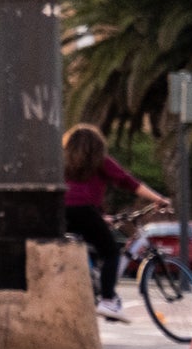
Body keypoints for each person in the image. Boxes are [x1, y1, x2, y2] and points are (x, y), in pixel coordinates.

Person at [63, 123, 166, 321]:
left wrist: (101, 217)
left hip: (63, 212)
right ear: (97, 146)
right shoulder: (100, 161)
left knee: (90, 244)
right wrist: (158, 199)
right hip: (85, 211)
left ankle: (93, 289)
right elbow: (129, 182)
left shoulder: (64, 162)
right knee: (110, 252)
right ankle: (108, 300)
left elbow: (76, 192)